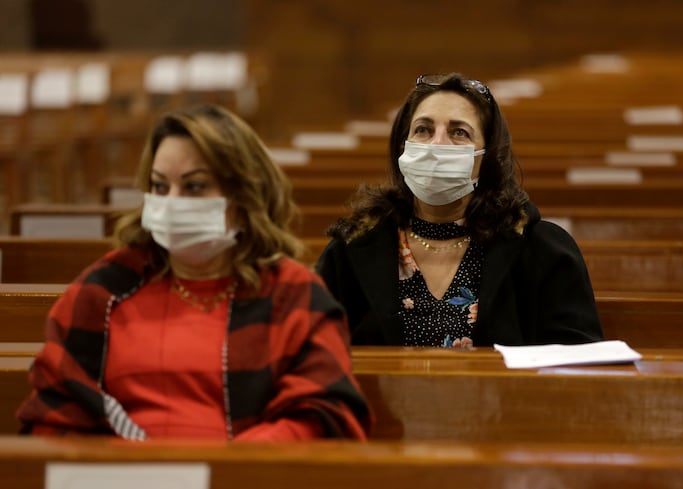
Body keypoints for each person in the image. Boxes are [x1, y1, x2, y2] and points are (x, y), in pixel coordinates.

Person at [17, 104, 372, 441]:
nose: (172, 202)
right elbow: (54, 411)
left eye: (194, 186)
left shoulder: (291, 293)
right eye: (159, 186)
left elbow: (325, 413)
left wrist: (222, 470)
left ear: (243, 195)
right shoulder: (106, 288)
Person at [315, 73, 603, 348]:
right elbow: (311, 356)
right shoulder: (352, 249)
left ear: (486, 156)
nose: (437, 144)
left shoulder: (541, 249)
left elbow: (578, 362)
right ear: (403, 147)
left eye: (459, 132)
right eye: (423, 130)